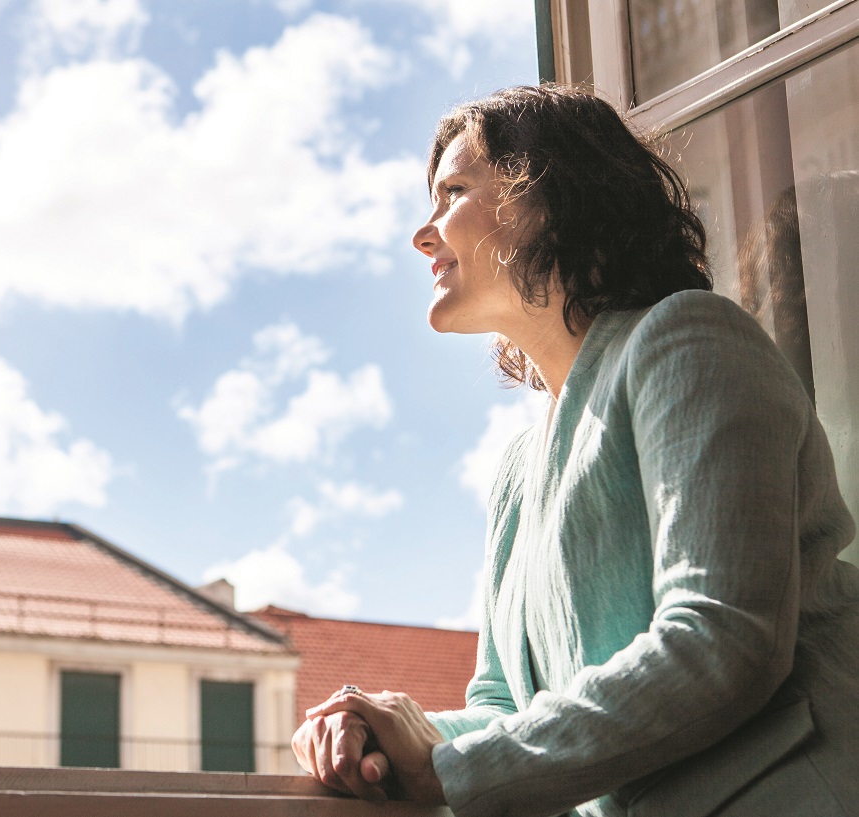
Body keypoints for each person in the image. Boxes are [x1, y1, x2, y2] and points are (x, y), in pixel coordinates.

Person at [291, 85, 859, 817]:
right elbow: (506, 709)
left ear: (550, 196)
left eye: (453, 191)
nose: (422, 235)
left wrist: (447, 768)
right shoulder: (517, 470)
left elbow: (724, 640)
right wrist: (380, 733)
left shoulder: (688, 339)